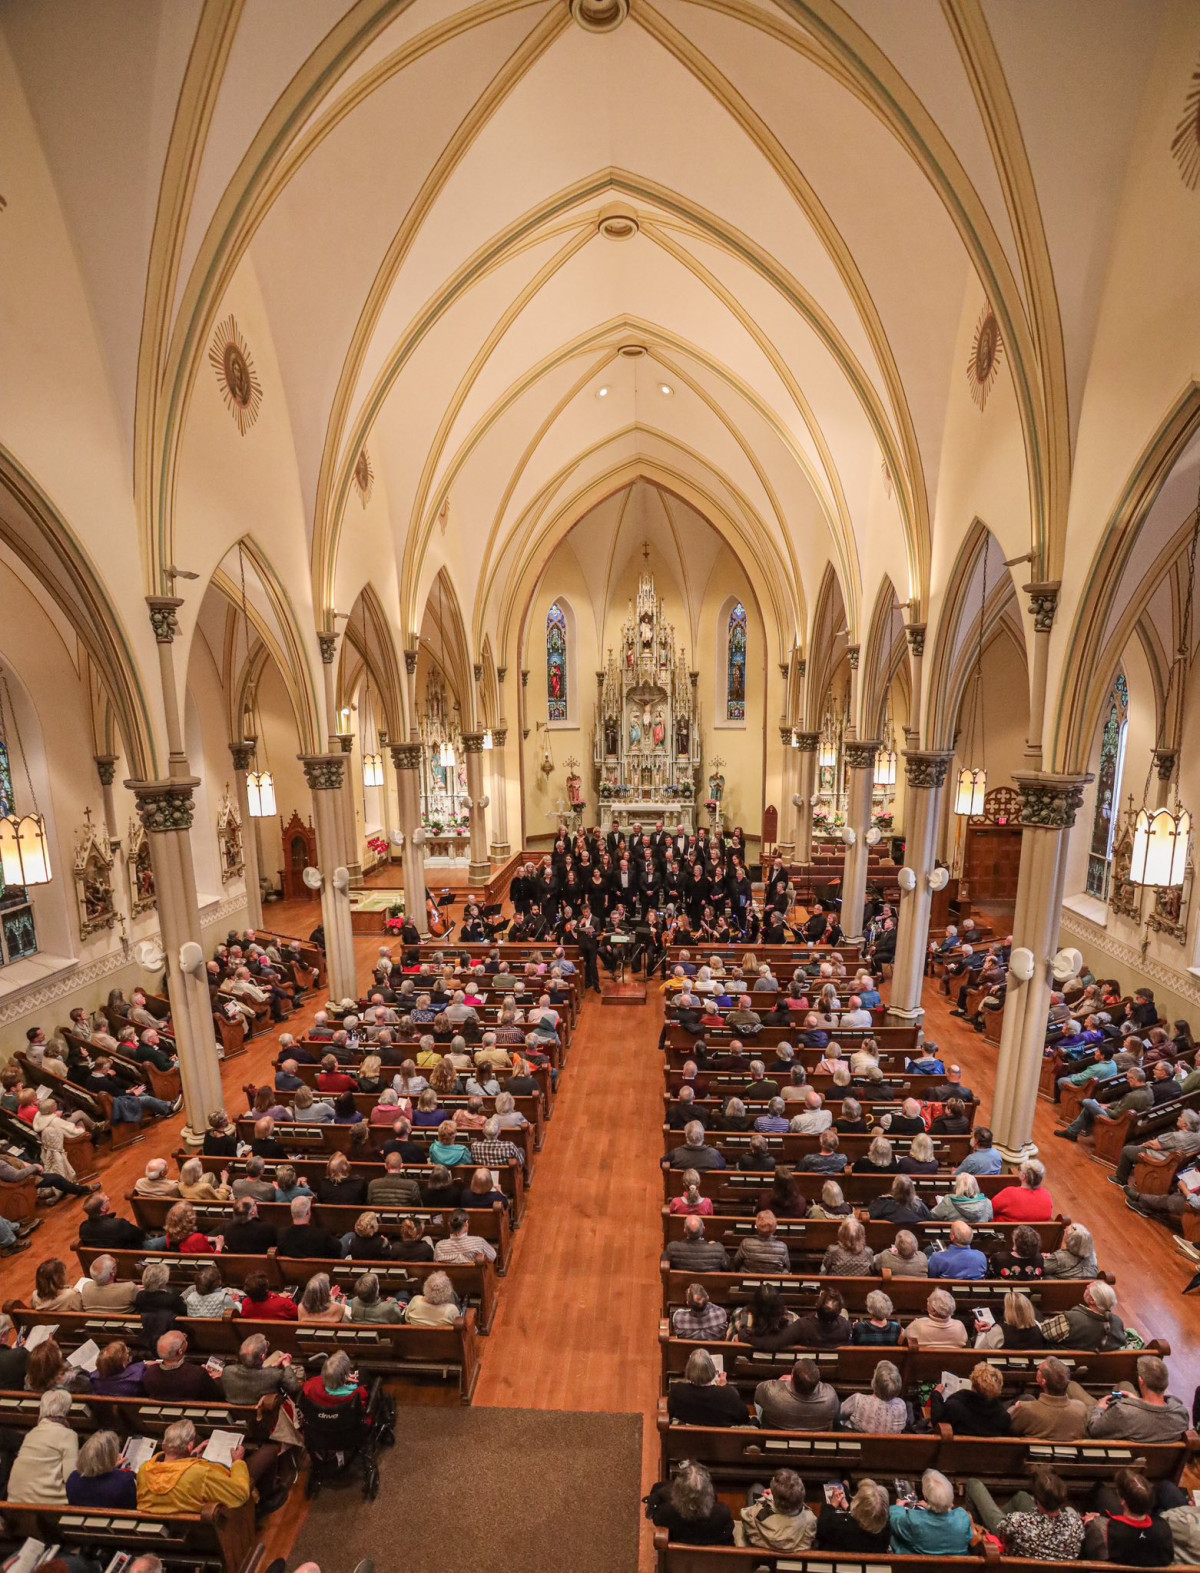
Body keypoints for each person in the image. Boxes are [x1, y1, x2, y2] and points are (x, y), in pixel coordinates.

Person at [965, 1465, 1084, 1560]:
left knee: (973, 1484)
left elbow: (1002, 1532)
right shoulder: (1076, 1523)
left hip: (1011, 1550)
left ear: (1035, 1499)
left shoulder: (1017, 1522)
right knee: (1021, 1497)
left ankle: (977, 1534)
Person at [137, 1418, 253, 1514]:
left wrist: (190, 1458)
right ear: (190, 1446)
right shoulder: (200, 1473)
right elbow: (239, 1495)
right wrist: (238, 1462)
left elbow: (173, 1469)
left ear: (163, 1445)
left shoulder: (144, 1470)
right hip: (200, 1532)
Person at [1085, 1354, 1190, 1442]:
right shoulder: (1180, 1413)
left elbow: (1094, 1430)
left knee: (1076, 1395)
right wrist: (1139, 1402)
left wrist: (1098, 1408)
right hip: (1154, 1456)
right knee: (1124, 1384)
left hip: (1116, 1451)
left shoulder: (1123, 1411)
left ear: (1141, 1381)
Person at [1081, 1468, 1175, 1566]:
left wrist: (1090, 1523)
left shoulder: (1101, 1528)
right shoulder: (1164, 1528)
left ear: (1123, 1502)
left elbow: (1093, 1557)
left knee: (1101, 1490)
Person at [6, 1389, 78, 1503]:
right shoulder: (68, 1435)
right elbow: (71, 1477)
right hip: (46, 1502)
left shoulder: (31, 1433)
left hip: (14, 1499)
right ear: (66, 1410)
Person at [648, 1461, 735, 1546]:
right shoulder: (722, 1514)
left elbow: (656, 1520)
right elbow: (728, 1537)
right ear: (709, 1490)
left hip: (677, 1554)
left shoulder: (665, 1513)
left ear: (677, 1490)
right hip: (713, 1554)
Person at [888, 1469, 972, 1554]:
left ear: (926, 1496)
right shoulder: (963, 1518)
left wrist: (897, 1508)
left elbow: (895, 1523)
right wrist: (932, 1507)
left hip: (917, 1561)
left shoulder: (914, 1520)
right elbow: (968, 1537)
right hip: (956, 1562)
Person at [735, 1469, 817, 1551]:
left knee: (756, 1488)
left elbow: (745, 1515)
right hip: (794, 1554)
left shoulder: (753, 1515)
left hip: (761, 1549)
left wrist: (768, 1499)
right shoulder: (810, 1520)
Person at [1009, 1357, 1089, 1439]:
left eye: (1039, 1369)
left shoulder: (1025, 1409)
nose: (1038, 1369)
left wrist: (1013, 1409)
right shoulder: (1080, 1409)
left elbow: (1007, 1428)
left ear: (1043, 1381)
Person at [667, 1348, 750, 1426]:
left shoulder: (677, 1392)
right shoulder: (728, 1394)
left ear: (689, 1369)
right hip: (720, 1436)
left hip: (687, 1436)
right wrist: (725, 1388)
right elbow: (744, 1417)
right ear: (711, 1369)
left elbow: (670, 1414)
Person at [755, 1357, 839, 1430]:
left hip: (775, 1436)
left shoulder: (771, 1392)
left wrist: (781, 1382)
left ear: (792, 1377)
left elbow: (758, 1392)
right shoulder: (830, 1396)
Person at [932, 1360, 1012, 1435]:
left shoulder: (955, 1406)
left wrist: (936, 1395)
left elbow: (938, 1423)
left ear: (973, 1384)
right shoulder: (1003, 1417)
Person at [66, 1427, 139, 1508]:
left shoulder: (73, 1478)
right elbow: (132, 1507)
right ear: (111, 1456)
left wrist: (110, 1466)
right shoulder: (124, 1480)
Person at [816, 1479, 892, 1552]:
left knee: (835, 1483)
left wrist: (832, 1505)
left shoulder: (837, 1527)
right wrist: (847, 1507)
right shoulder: (885, 1531)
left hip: (836, 1559)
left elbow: (821, 1527)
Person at [142, 1331, 221, 1401]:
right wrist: (218, 1378)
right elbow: (214, 1396)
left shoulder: (150, 1372)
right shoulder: (197, 1373)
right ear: (180, 1351)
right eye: (184, 1340)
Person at [839, 1359, 908, 1433]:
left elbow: (838, 1413)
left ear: (874, 1383)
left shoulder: (858, 1400)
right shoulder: (901, 1406)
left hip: (856, 1439)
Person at [277, 1193, 343, 1259]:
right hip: (318, 1265)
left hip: (290, 1266)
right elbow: (338, 1247)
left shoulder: (281, 1234)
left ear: (292, 1213)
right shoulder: (322, 1235)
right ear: (308, 1212)